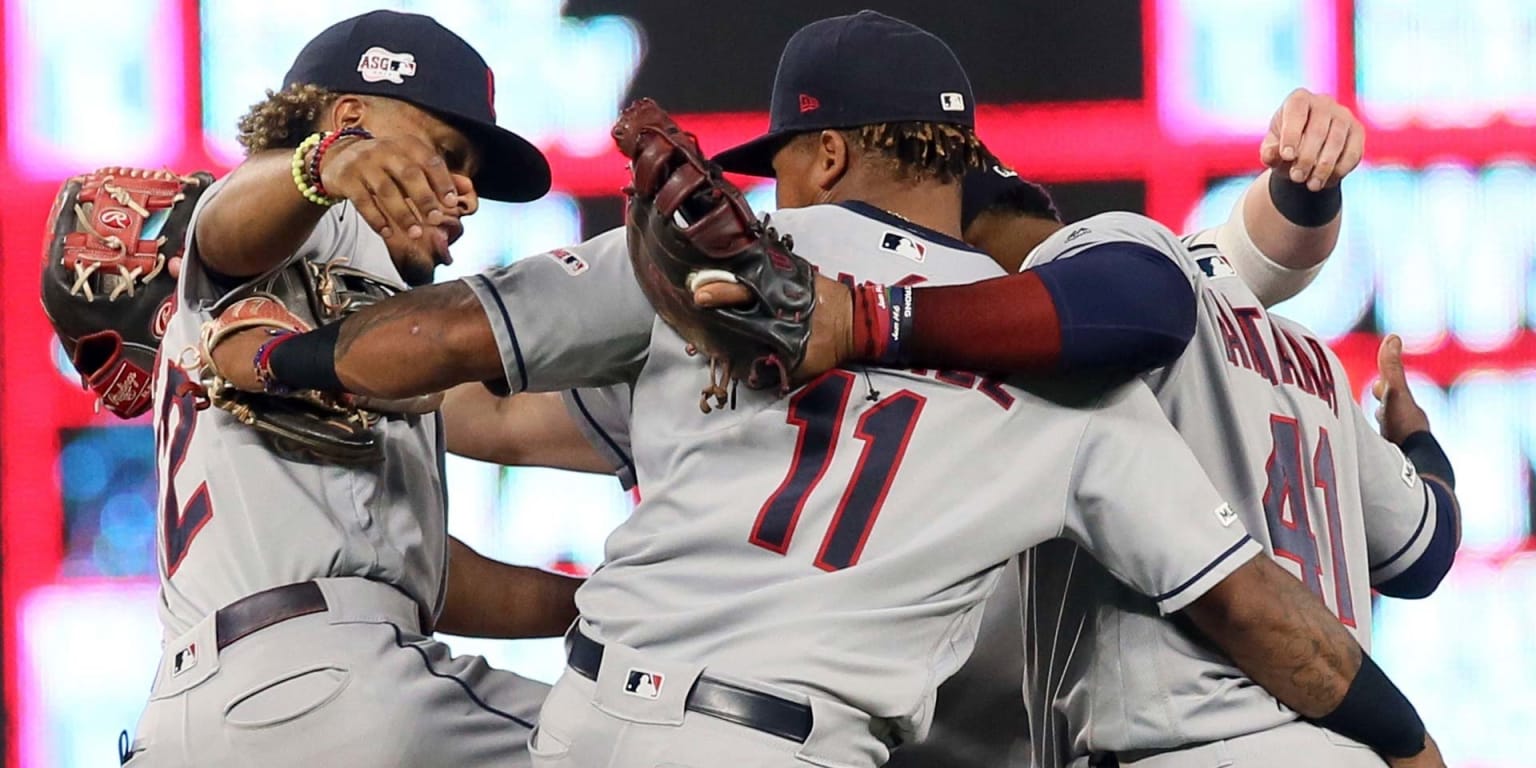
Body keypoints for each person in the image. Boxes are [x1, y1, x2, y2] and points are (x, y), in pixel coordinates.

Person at [204, 12, 1440, 768]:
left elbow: (458, 367)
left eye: (781, 155)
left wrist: (266, 357)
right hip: (788, 742)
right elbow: (1248, 599)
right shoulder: (1069, 381)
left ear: (831, 150)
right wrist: (1403, 739)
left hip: (584, 728)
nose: (771, 182)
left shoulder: (694, 275)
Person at [696, 77, 1458, 768]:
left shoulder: (1091, 287)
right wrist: (1415, 436)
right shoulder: (1314, 363)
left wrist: (875, 320)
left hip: (1193, 741)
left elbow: (1130, 299)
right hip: (1342, 740)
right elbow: (1425, 550)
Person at [128, 11, 577, 767]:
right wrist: (321, 166)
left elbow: (426, 576)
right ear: (348, 117)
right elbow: (225, 234)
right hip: (322, 685)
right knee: (648, 738)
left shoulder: (360, 333)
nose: (465, 195)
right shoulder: (315, 227)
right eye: (445, 153)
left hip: (191, 715)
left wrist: (605, 604)